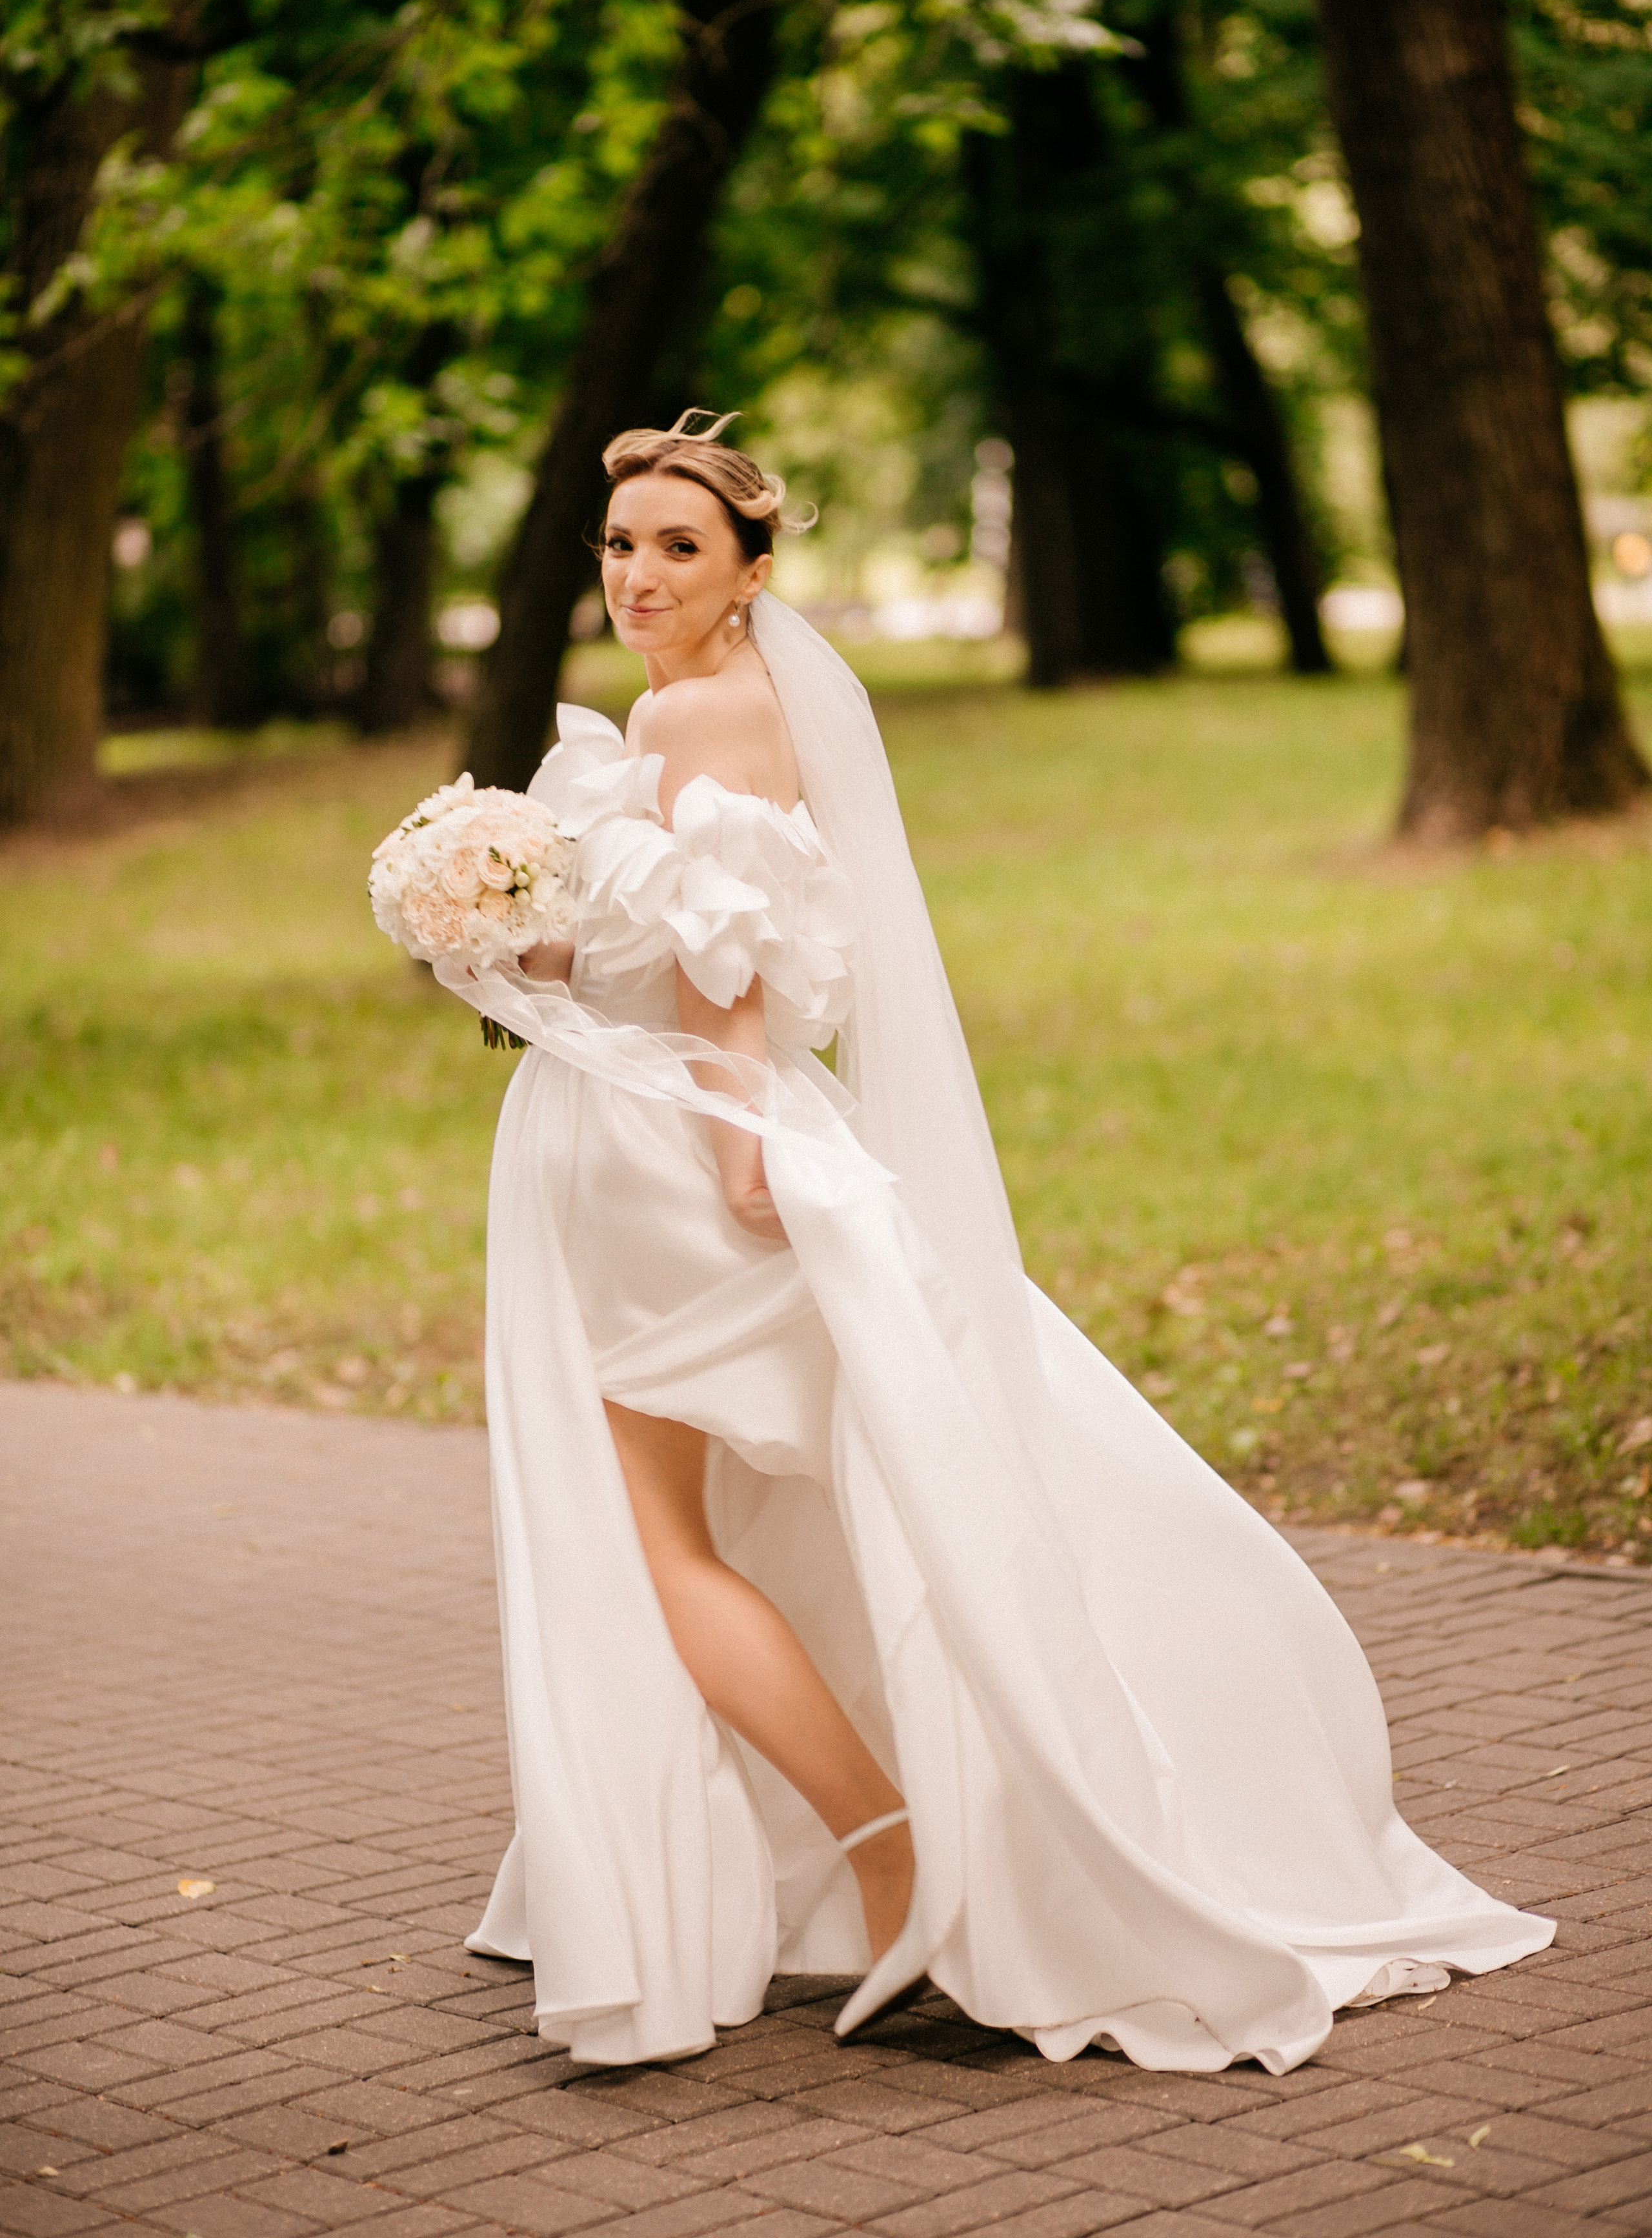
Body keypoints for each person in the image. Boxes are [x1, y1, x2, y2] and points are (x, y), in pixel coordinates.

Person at [443, 410, 1551, 2073]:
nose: (641, 575)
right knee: (846, 1484)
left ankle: (900, 1868)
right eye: (622, 546)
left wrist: (738, 1141)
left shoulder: (699, 715)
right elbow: (637, 948)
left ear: (753, 573)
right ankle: (883, 1861)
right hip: (642, 1125)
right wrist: (481, 933)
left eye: (681, 547)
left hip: (666, 1151)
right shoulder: (675, 720)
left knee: (660, 1539)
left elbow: (725, 960)